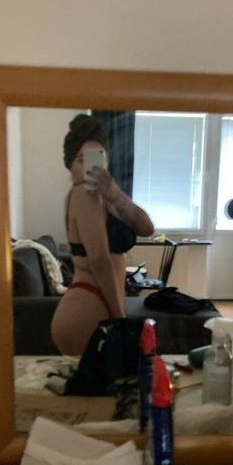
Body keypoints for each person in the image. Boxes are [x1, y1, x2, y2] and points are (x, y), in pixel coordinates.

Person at [51, 114, 154, 355]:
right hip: (88, 306)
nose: (91, 168)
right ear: (70, 164)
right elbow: (99, 260)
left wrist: (115, 194)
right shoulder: (84, 195)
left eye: (99, 159)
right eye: (82, 160)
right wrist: (119, 316)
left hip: (91, 302)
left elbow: (146, 228)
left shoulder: (105, 198)